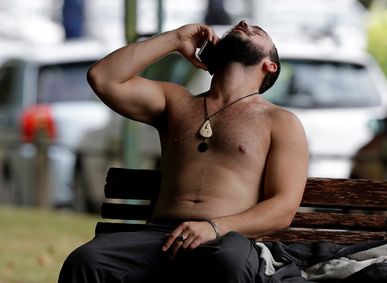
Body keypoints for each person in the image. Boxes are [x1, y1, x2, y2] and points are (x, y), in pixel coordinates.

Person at [58, 20, 308, 282]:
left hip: (226, 239)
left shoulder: (280, 122)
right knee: (86, 261)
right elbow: (103, 77)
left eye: (257, 32)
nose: (244, 23)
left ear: (270, 65)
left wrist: (214, 227)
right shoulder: (176, 102)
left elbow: (283, 208)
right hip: (160, 237)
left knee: (229, 262)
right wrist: (176, 40)